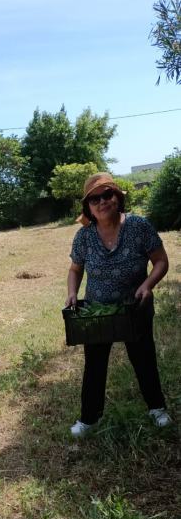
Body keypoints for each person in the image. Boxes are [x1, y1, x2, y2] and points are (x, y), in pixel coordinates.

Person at [66, 173, 172, 438]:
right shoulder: (84, 236)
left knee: (144, 358)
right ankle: (89, 419)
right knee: (95, 364)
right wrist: (71, 292)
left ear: (118, 198)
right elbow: (75, 269)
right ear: (88, 207)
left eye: (107, 195)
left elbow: (161, 261)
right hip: (98, 312)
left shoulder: (138, 226)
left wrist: (147, 285)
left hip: (134, 307)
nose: (102, 202)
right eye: (94, 199)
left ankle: (157, 408)